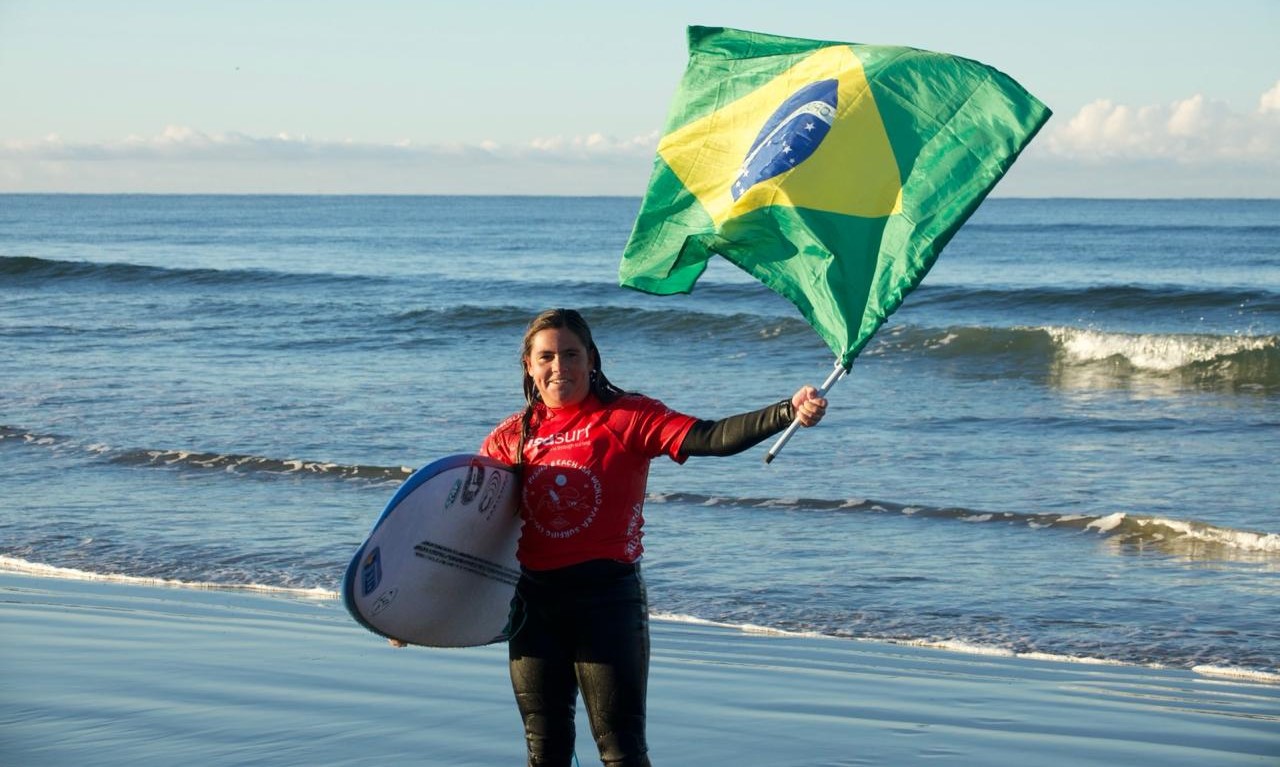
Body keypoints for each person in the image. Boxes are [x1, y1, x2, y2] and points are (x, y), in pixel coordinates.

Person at [480, 308, 826, 767]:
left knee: (621, 752)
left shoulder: (626, 417)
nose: (559, 366)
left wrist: (786, 411)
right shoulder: (510, 437)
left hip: (606, 602)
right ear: (529, 365)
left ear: (591, 359)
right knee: (544, 752)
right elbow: (467, 527)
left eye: (571, 354)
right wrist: (408, 609)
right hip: (534, 606)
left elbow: (710, 436)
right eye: (546, 357)